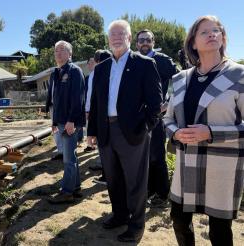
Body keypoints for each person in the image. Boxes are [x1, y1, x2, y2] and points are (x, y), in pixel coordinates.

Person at [163, 15, 244, 246]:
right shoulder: (179, 79)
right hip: (185, 163)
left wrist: (212, 132)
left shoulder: (239, 75)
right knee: (178, 219)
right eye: (204, 32)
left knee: (219, 232)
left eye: (216, 30)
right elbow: (167, 119)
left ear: (223, 38)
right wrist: (175, 133)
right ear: (193, 43)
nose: (212, 34)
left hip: (223, 166)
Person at [87, 20, 162, 243]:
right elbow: (96, 103)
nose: (117, 37)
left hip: (133, 133)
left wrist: (145, 128)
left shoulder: (145, 64)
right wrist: (92, 132)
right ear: (108, 40)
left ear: (129, 38)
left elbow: (156, 103)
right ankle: (119, 215)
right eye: (113, 34)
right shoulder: (101, 68)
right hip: (105, 131)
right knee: (113, 178)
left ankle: (136, 225)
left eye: (121, 34)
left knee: (135, 181)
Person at [135, 29, 180, 207]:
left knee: (156, 156)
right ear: (136, 43)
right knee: (144, 157)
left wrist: (168, 103)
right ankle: (150, 190)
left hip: (157, 117)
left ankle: (162, 195)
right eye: (141, 40)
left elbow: (180, 80)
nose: (144, 43)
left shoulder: (162, 60)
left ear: (153, 42)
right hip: (139, 118)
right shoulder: (135, 61)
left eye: (148, 40)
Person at [48, 40, 85, 204]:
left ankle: (67, 191)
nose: (58, 53)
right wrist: (54, 121)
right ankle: (75, 188)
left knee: (68, 159)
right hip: (61, 121)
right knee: (72, 157)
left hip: (70, 122)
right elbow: (55, 99)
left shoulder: (74, 71)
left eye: (62, 50)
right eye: (56, 51)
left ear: (70, 54)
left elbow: (78, 99)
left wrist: (71, 121)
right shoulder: (56, 72)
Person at [86, 50, 113, 186]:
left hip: (100, 116)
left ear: (96, 61)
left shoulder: (96, 73)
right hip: (110, 118)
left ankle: (106, 176)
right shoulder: (112, 71)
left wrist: (88, 111)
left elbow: (92, 96)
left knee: (105, 148)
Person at [45, 74, 63, 160]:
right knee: (55, 129)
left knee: (63, 129)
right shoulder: (53, 74)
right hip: (52, 106)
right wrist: (47, 106)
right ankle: (60, 151)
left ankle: (66, 152)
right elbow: (50, 91)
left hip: (62, 107)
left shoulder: (71, 72)